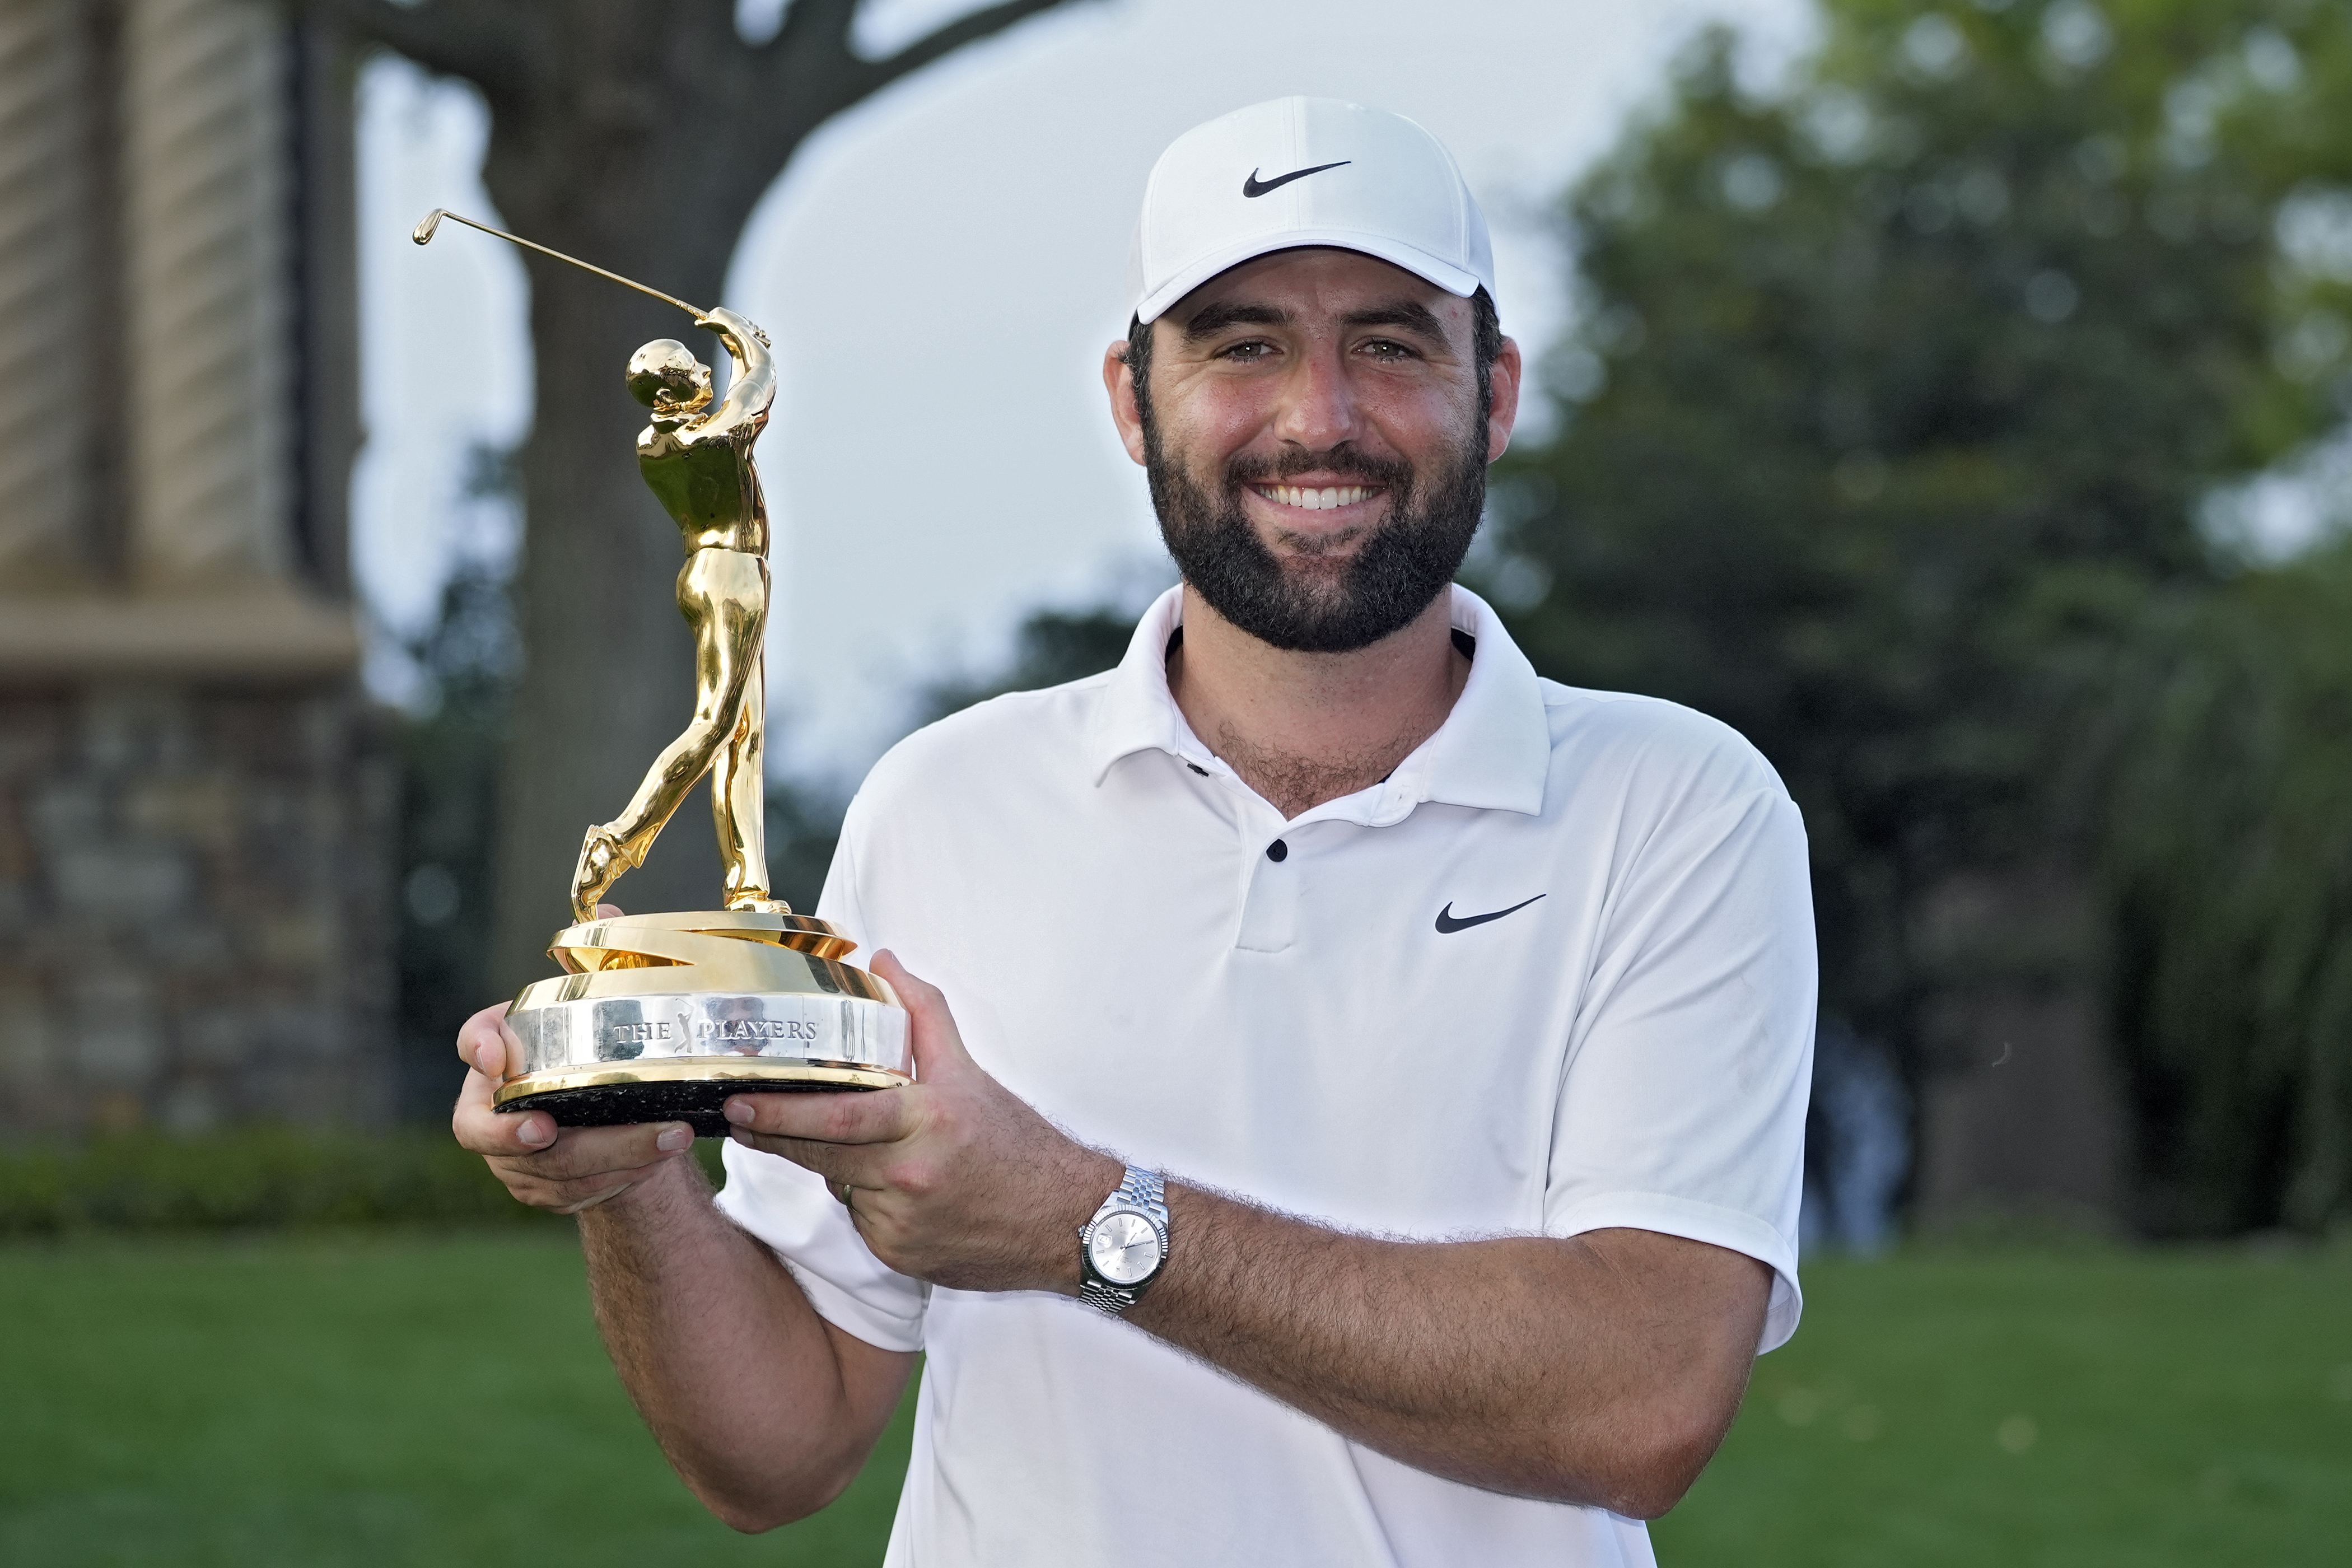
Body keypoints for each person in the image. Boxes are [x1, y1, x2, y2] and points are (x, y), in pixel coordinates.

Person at [453, 97, 1815, 1566]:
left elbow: (1643, 1401)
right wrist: (634, 1183)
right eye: (1240, 345)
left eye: (1391, 342)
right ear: (1128, 397)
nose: (1320, 416)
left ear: (1493, 393)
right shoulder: (945, 800)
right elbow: (779, 1449)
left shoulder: (1676, 804)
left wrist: (1083, 1219)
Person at [568, 306, 787, 922]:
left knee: (743, 737)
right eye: (689, 368)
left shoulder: (655, 443)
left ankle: (748, 885)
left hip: (709, 573)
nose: (702, 370)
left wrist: (741, 347)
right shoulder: (704, 439)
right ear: (668, 392)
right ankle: (617, 840)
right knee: (715, 725)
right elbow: (760, 387)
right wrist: (744, 339)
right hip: (732, 577)